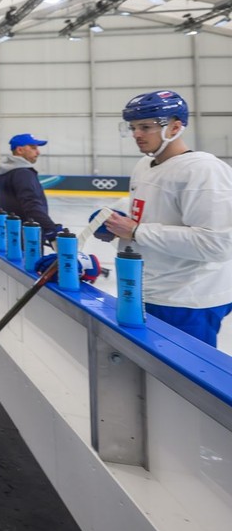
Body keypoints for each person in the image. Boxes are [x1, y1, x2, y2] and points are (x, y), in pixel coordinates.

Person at [100, 90, 232, 347]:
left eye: (146, 127)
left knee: (186, 381)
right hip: (148, 291)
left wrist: (137, 232)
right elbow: (153, 213)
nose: (137, 134)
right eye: (133, 127)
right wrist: (115, 220)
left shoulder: (204, 171)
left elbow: (217, 243)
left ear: (175, 127)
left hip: (188, 300)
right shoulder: (144, 165)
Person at [0, 133, 62, 240]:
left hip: (10, 233)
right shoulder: (23, 173)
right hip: (28, 235)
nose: (38, 152)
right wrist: (49, 228)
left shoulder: (5, 172)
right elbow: (31, 204)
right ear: (20, 150)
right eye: (33, 148)